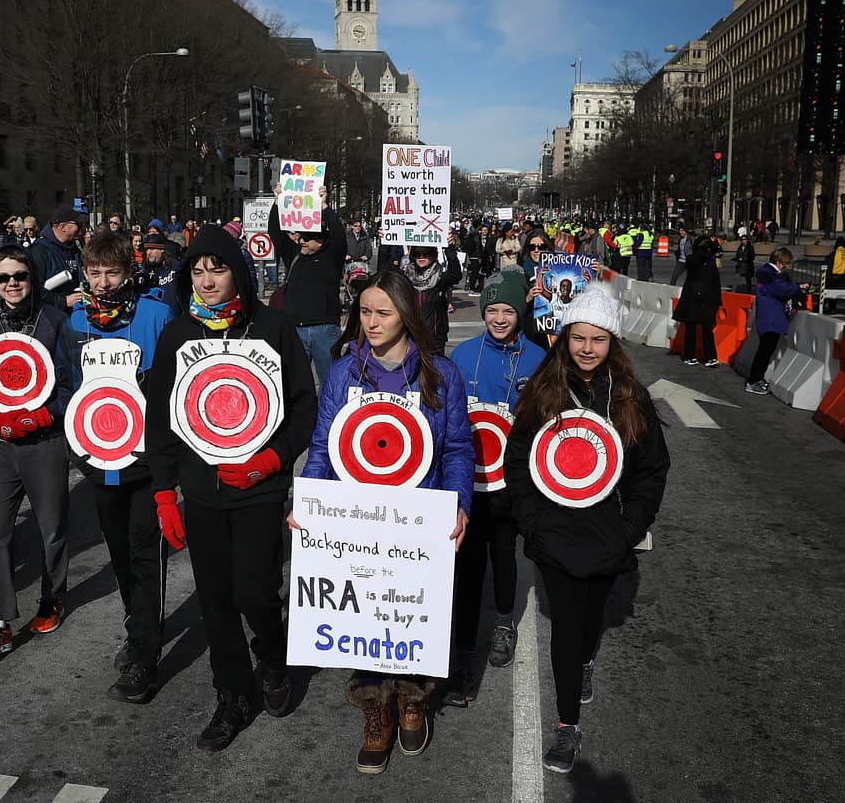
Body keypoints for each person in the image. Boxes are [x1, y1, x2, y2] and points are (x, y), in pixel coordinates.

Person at [146, 224, 317, 752]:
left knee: (255, 592)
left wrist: (271, 460)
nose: (207, 280)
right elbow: (160, 420)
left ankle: (273, 657)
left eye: (217, 269)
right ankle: (232, 694)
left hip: (259, 488)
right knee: (215, 598)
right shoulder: (177, 334)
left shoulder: (273, 327)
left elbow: (304, 407)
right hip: (201, 490)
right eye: (197, 271)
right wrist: (164, 492)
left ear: (237, 271)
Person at [300, 267, 473, 774]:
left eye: (383, 312)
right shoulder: (343, 373)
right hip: (357, 520)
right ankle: (375, 706)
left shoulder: (441, 374)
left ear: (407, 315)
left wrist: (459, 503)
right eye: (364, 312)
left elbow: (458, 449)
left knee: (412, 612)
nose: (371, 322)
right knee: (364, 614)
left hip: (418, 519)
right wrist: (308, 501)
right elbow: (322, 446)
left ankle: (413, 698)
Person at [504, 286, 668, 774]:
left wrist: (630, 526)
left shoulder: (631, 397)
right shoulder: (543, 391)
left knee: (592, 617)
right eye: (578, 338)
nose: (587, 348)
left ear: (612, 342)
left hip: (608, 532)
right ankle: (567, 724)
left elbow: (652, 469)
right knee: (566, 627)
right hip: (556, 532)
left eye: (598, 339)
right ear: (565, 338)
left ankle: (585, 662)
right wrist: (532, 523)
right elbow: (517, 462)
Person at [68, 229, 173, 703]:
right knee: (120, 553)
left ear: (129, 272)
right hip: (99, 459)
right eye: (95, 273)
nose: (103, 283)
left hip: (147, 458)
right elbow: (68, 387)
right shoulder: (75, 320)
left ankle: (144, 657)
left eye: (112, 273)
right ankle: (139, 622)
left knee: (145, 550)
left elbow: (174, 384)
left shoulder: (155, 314)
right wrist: (79, 450)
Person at [0, 245, 76, 658]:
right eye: (3, 278)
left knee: (51, 529)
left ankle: (52, 597)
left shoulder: (57, 323)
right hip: (0, 445)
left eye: (20, 276)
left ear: (33, 278)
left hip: (44, 443)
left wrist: (46, 415)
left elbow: (73, 383)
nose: (12, 284)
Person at [446, 268, 545, 706]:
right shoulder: (463, 355)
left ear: (520, 313)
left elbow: (546, 420)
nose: (499, 318)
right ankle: (463, 653)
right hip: (468, 480)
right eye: (492, 310)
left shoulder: (537, 359)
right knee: (468, 564)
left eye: (508, 310)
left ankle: (504, 622)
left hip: (510, 481)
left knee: (504, 556)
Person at [267, 188, 346, 387]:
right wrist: (277, 202)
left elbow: (338, 233)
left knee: (330, 383)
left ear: (321, 241)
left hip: (325, 330)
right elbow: (275, 232)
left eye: (307, 238)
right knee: (293, 384)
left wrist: (324, 206)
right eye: (301, 237)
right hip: (295, 329)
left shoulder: (332, 256)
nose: (301, 241)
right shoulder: (294, 253)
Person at [745, 247, 810, 395]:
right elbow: (780, 289)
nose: (786, 266)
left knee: (766, 351)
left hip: (770, 317)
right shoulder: (769, 274)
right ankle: (753, 381)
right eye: (785, 263)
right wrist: (798, 286)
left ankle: (757, 378)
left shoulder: (767, 273)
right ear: (779, 262)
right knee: (764, 351)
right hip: (770, 318)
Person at [401, 236, 462, 356]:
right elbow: (385, 271)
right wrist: (385, 242)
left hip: (435, 338)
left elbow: (455, 275)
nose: (421, 257)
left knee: (435, 367)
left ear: (433, 255)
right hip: (410, 337)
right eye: (418, 254)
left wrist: (449, 247)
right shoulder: (406, 279)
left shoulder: (439, 279)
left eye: (426, 254)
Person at [672, 236, 722, 367]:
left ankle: (711, 357)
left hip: (707, 300)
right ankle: (689, 355)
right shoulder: (693, 259)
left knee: (707, 329)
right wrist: (701, 248)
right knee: (691, 329)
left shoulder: (710, 261)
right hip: (692, 299)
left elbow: (716, 282)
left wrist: (717, 301)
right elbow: (694, 261)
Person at [27, 205, 87, 311]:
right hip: (51, 315)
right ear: (63, 227)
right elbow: (32, 289)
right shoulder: (39, 251)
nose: (82, 229)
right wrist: (63, 301)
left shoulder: (74, 249)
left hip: (76, 312)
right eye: (78, 224)